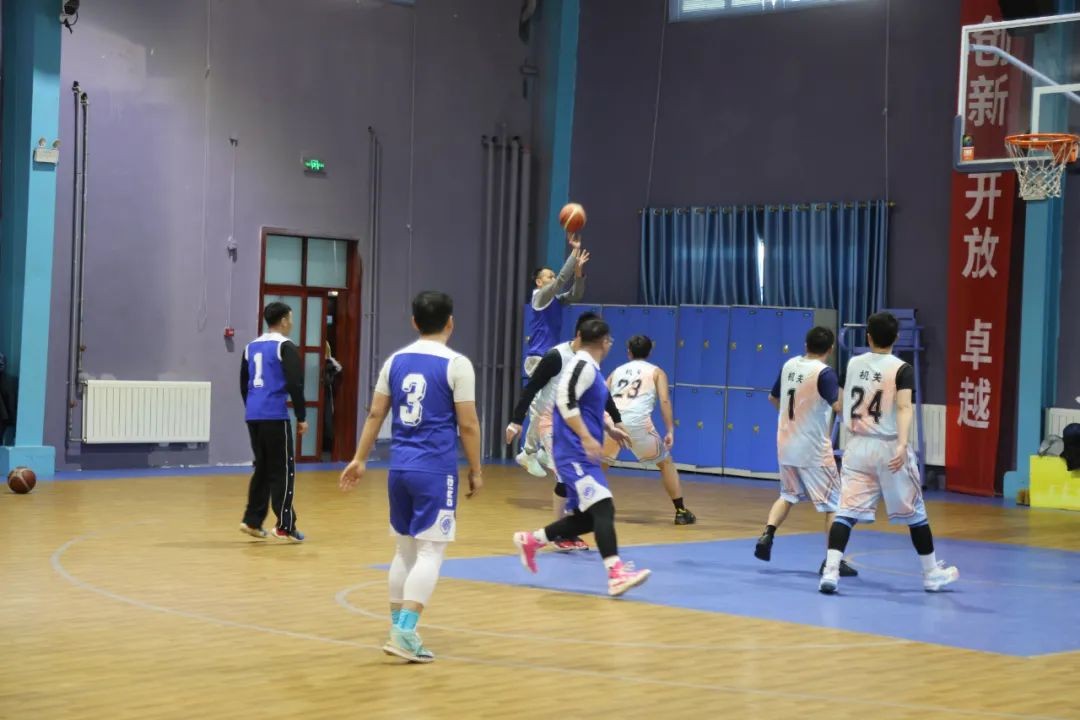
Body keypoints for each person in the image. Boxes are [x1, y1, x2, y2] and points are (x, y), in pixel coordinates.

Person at [339, 290, 482, 663]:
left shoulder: (395, 361)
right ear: (450, 322)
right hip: (435, 470)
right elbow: (468, 424)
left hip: (399, 469)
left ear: (414, 322)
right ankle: (404, 633)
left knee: (404, 550)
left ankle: (399, 629)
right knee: (431, 551)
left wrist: (359, 458)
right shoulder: (457, 365)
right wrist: (476, 469)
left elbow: (375, 414)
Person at [819, 312, 958, 594]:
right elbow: (905, 407)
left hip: (857, 445)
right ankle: (931, 574)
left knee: (845, 512)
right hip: (888, 445)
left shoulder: (853, 363)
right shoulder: (902, 368)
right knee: (915, 513)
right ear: (896, 338)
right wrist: (903, 444)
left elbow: (841, 403)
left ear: (868, 336)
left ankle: (830, 572)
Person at [513, 318, 650, 597]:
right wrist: (586, 437)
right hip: (573, 451)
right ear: (604, 342)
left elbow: (589, 407)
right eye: (610, 340)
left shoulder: (590, 368)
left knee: (588, 519)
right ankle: (616, 574)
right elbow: (565, 401)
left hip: (581, 453)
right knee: (604, 509)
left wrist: (609, 428)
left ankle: (532, 540)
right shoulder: (583, 366)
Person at [506, 312, 629, 551]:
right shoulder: (558, 357)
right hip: (552, 423)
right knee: (566, 477)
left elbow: (602, 395)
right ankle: (561, 533)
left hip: (575, 425)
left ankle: (556, 532)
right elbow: (532, 388)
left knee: (578, 486)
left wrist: (616, 421)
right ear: (581, 335)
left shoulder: (590, 361)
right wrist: (515, 421)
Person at [753, 326, 855, 576]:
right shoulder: (824, 373)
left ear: (806, 344)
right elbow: (838, 407)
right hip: (813, 449)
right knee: (835, 505)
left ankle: (768, 534)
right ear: (831, 349)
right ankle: (832, 560)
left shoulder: (790, 364)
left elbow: (773, 398)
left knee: (787, 495)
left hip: (786, 443)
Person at [602, 335, 696, 525]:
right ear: (650, 351)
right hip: (637, 422)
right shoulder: (656, 372)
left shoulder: (617, 371)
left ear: (629, 352)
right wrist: (670, 430)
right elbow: (664, 401)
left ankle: (590, 509)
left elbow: (600, 395)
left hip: (611, 421)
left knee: (600, 465)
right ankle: (680, 511)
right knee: (665, 463)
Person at [517, 233, 589, 476]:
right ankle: (528, 452)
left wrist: (578, 273)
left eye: (551, 275)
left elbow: (575, 295)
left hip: (549, 358)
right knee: (541, 406)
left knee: (551, 405)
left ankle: (538, 449)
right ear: (539, 282)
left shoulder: (555, 300)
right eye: (548, 276)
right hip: (537, 358)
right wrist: (573, 253)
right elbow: (560, 282)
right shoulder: (539, 297)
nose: (552, 278)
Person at [239, 301, 307, 542]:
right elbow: (295, 383)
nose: (292, 323)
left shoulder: (250, 347)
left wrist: (253, 408)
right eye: (291, 318)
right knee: (283, 470)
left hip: (254, 415)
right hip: (275, 416)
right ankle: (285, 526)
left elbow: (244, 384)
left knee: (263, 468)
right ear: (285, 320)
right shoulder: (285, 346)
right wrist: (301, 416)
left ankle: (252, 520)